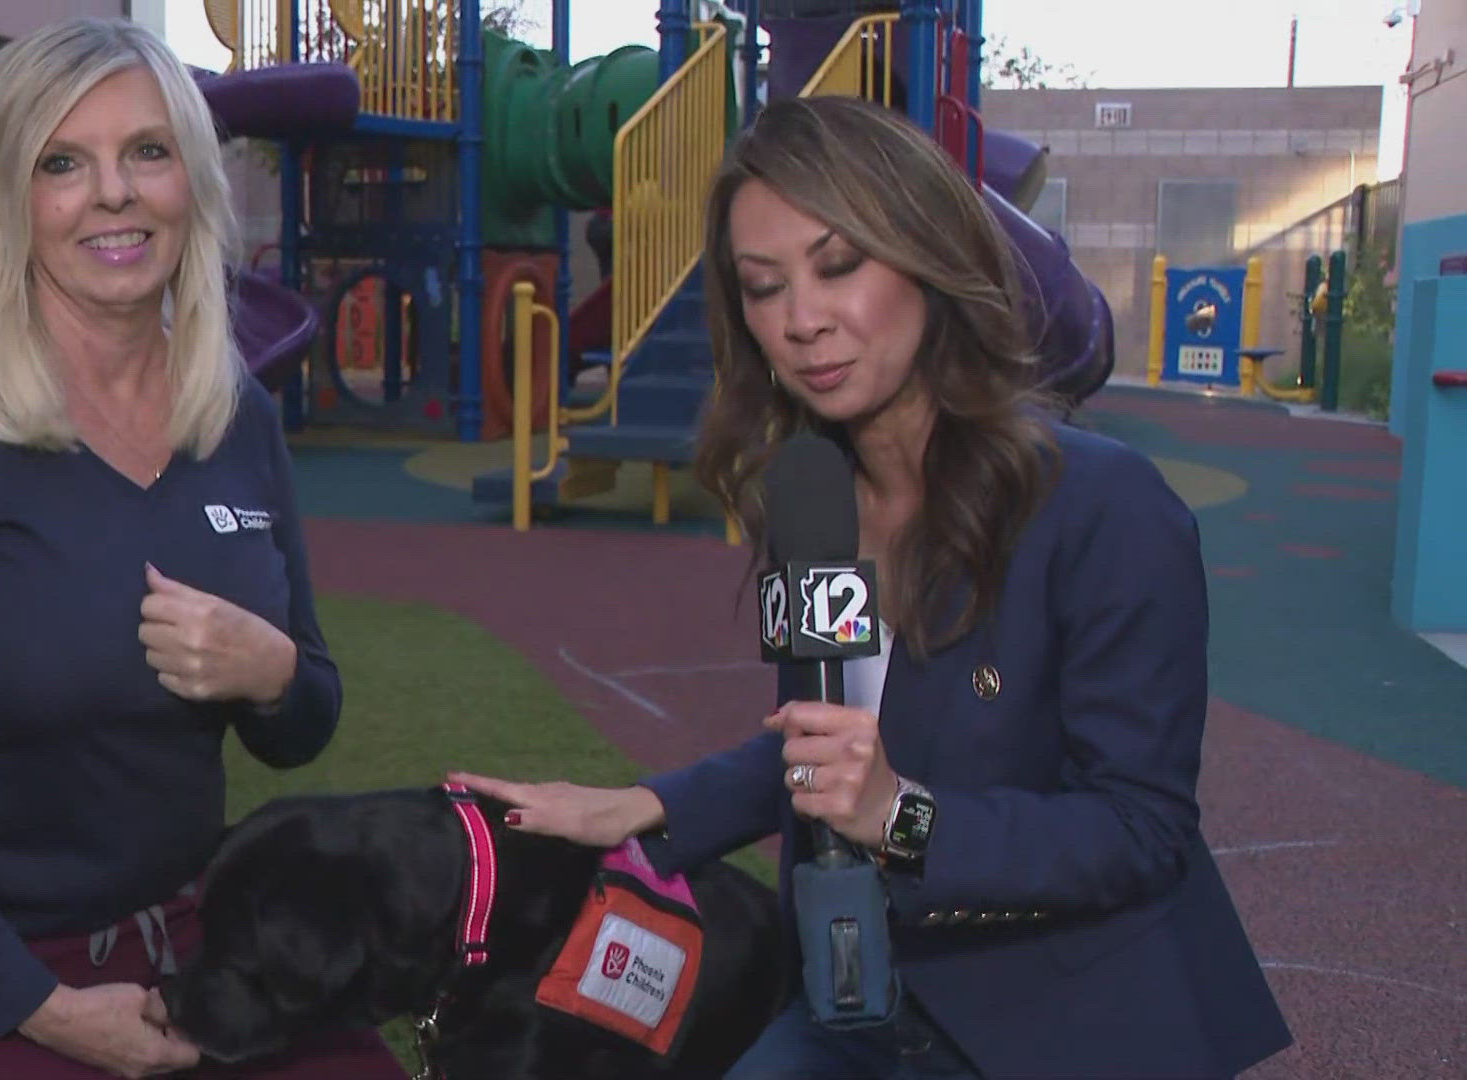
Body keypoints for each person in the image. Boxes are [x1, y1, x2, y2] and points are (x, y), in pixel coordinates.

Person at [453, 95, 1292, 1079]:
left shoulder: (1104, 507)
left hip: (1067, 1018)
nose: (803, 320)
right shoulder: (809, 497)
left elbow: (1137, 831)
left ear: (928, 257)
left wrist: (903, 819)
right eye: (763, 288)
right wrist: (636, 805)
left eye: (839, 267)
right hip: (858, 991)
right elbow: (834, 748)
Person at [0, 17, 403, 1080]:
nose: (112, 193)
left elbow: (302, 726)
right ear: (9, 202)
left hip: (193, 942)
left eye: (148, 153)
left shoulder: (238, 416)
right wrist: (45, 1009)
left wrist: (274, 672)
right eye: (62, 163)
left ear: (192, 184)